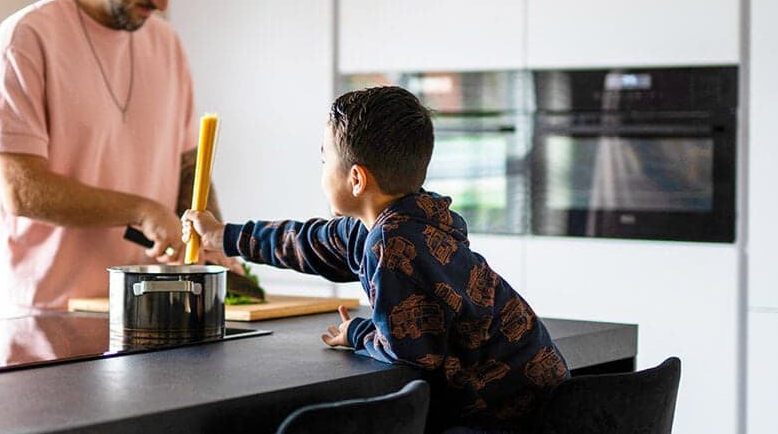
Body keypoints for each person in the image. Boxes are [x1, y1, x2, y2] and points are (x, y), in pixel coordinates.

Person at [179, 86, 569, 433]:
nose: (320, 171)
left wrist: (357, 334)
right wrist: (225, 236)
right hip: (542, 396)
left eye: (323, 160)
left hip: (509, 416)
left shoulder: (391, 241)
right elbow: (309, 241)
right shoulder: (406, 218)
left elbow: (412, 353)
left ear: (356, 179)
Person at [0, 0, 239, 319]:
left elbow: (187, 166)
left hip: (147, 309)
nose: (163, 1)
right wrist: (141, 210)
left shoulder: (166, 44)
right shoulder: (26, 37)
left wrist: (210, 239)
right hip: (46, 312)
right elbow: (20, 190)